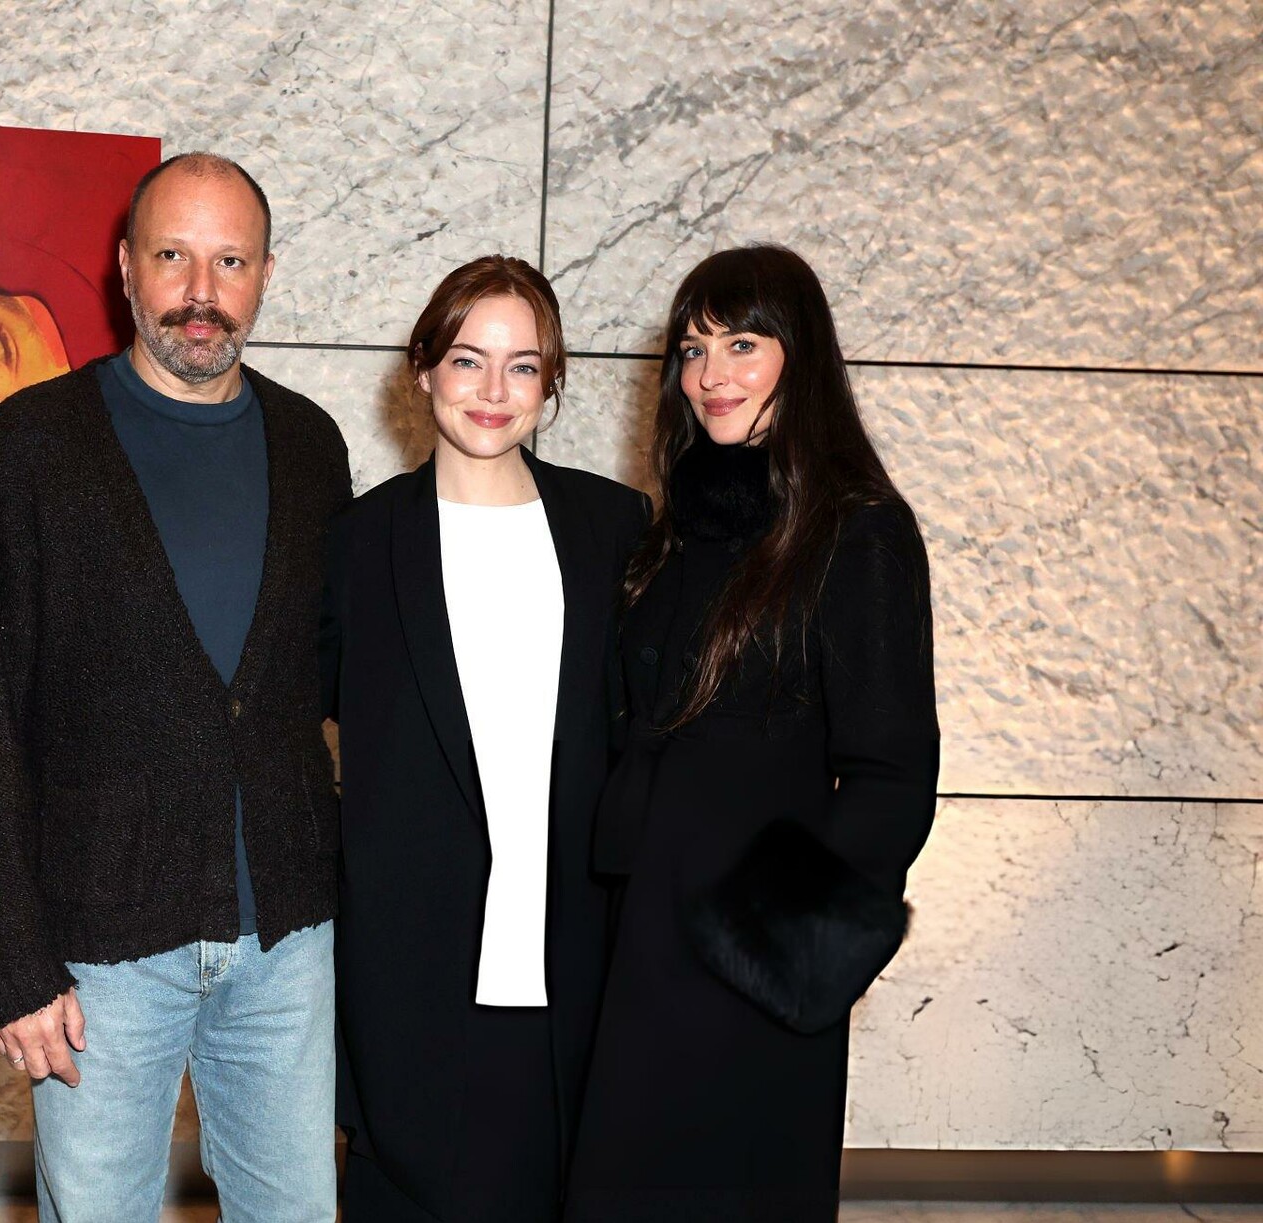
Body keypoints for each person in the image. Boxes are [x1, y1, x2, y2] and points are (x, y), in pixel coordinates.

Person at [0, 152, 351, 1222]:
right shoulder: (31, 446)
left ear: (265, 274)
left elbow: (330, 680)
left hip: (286, 940)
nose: (202, 292)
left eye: (230, 261)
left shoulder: (312, 445)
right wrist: (10, 964)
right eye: (173, 256)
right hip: (97, 953)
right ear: (125, 268)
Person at [564, 244, 939, 1221]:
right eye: (693, 349)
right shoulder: (673, 531)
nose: (710, 373)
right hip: (636, 932)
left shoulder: (857, 530)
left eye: (742, 343)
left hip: (751, 957)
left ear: (799, 355)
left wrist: (769, 949)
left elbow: (894, 776)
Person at [321, 255, 651, 1220]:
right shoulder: (357, 543)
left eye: (523, 365)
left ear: (552, 381)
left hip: (572, 975)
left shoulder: (615, 527)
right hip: (409, 983)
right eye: (468, 360)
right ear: (424, 368)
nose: (494, 391)